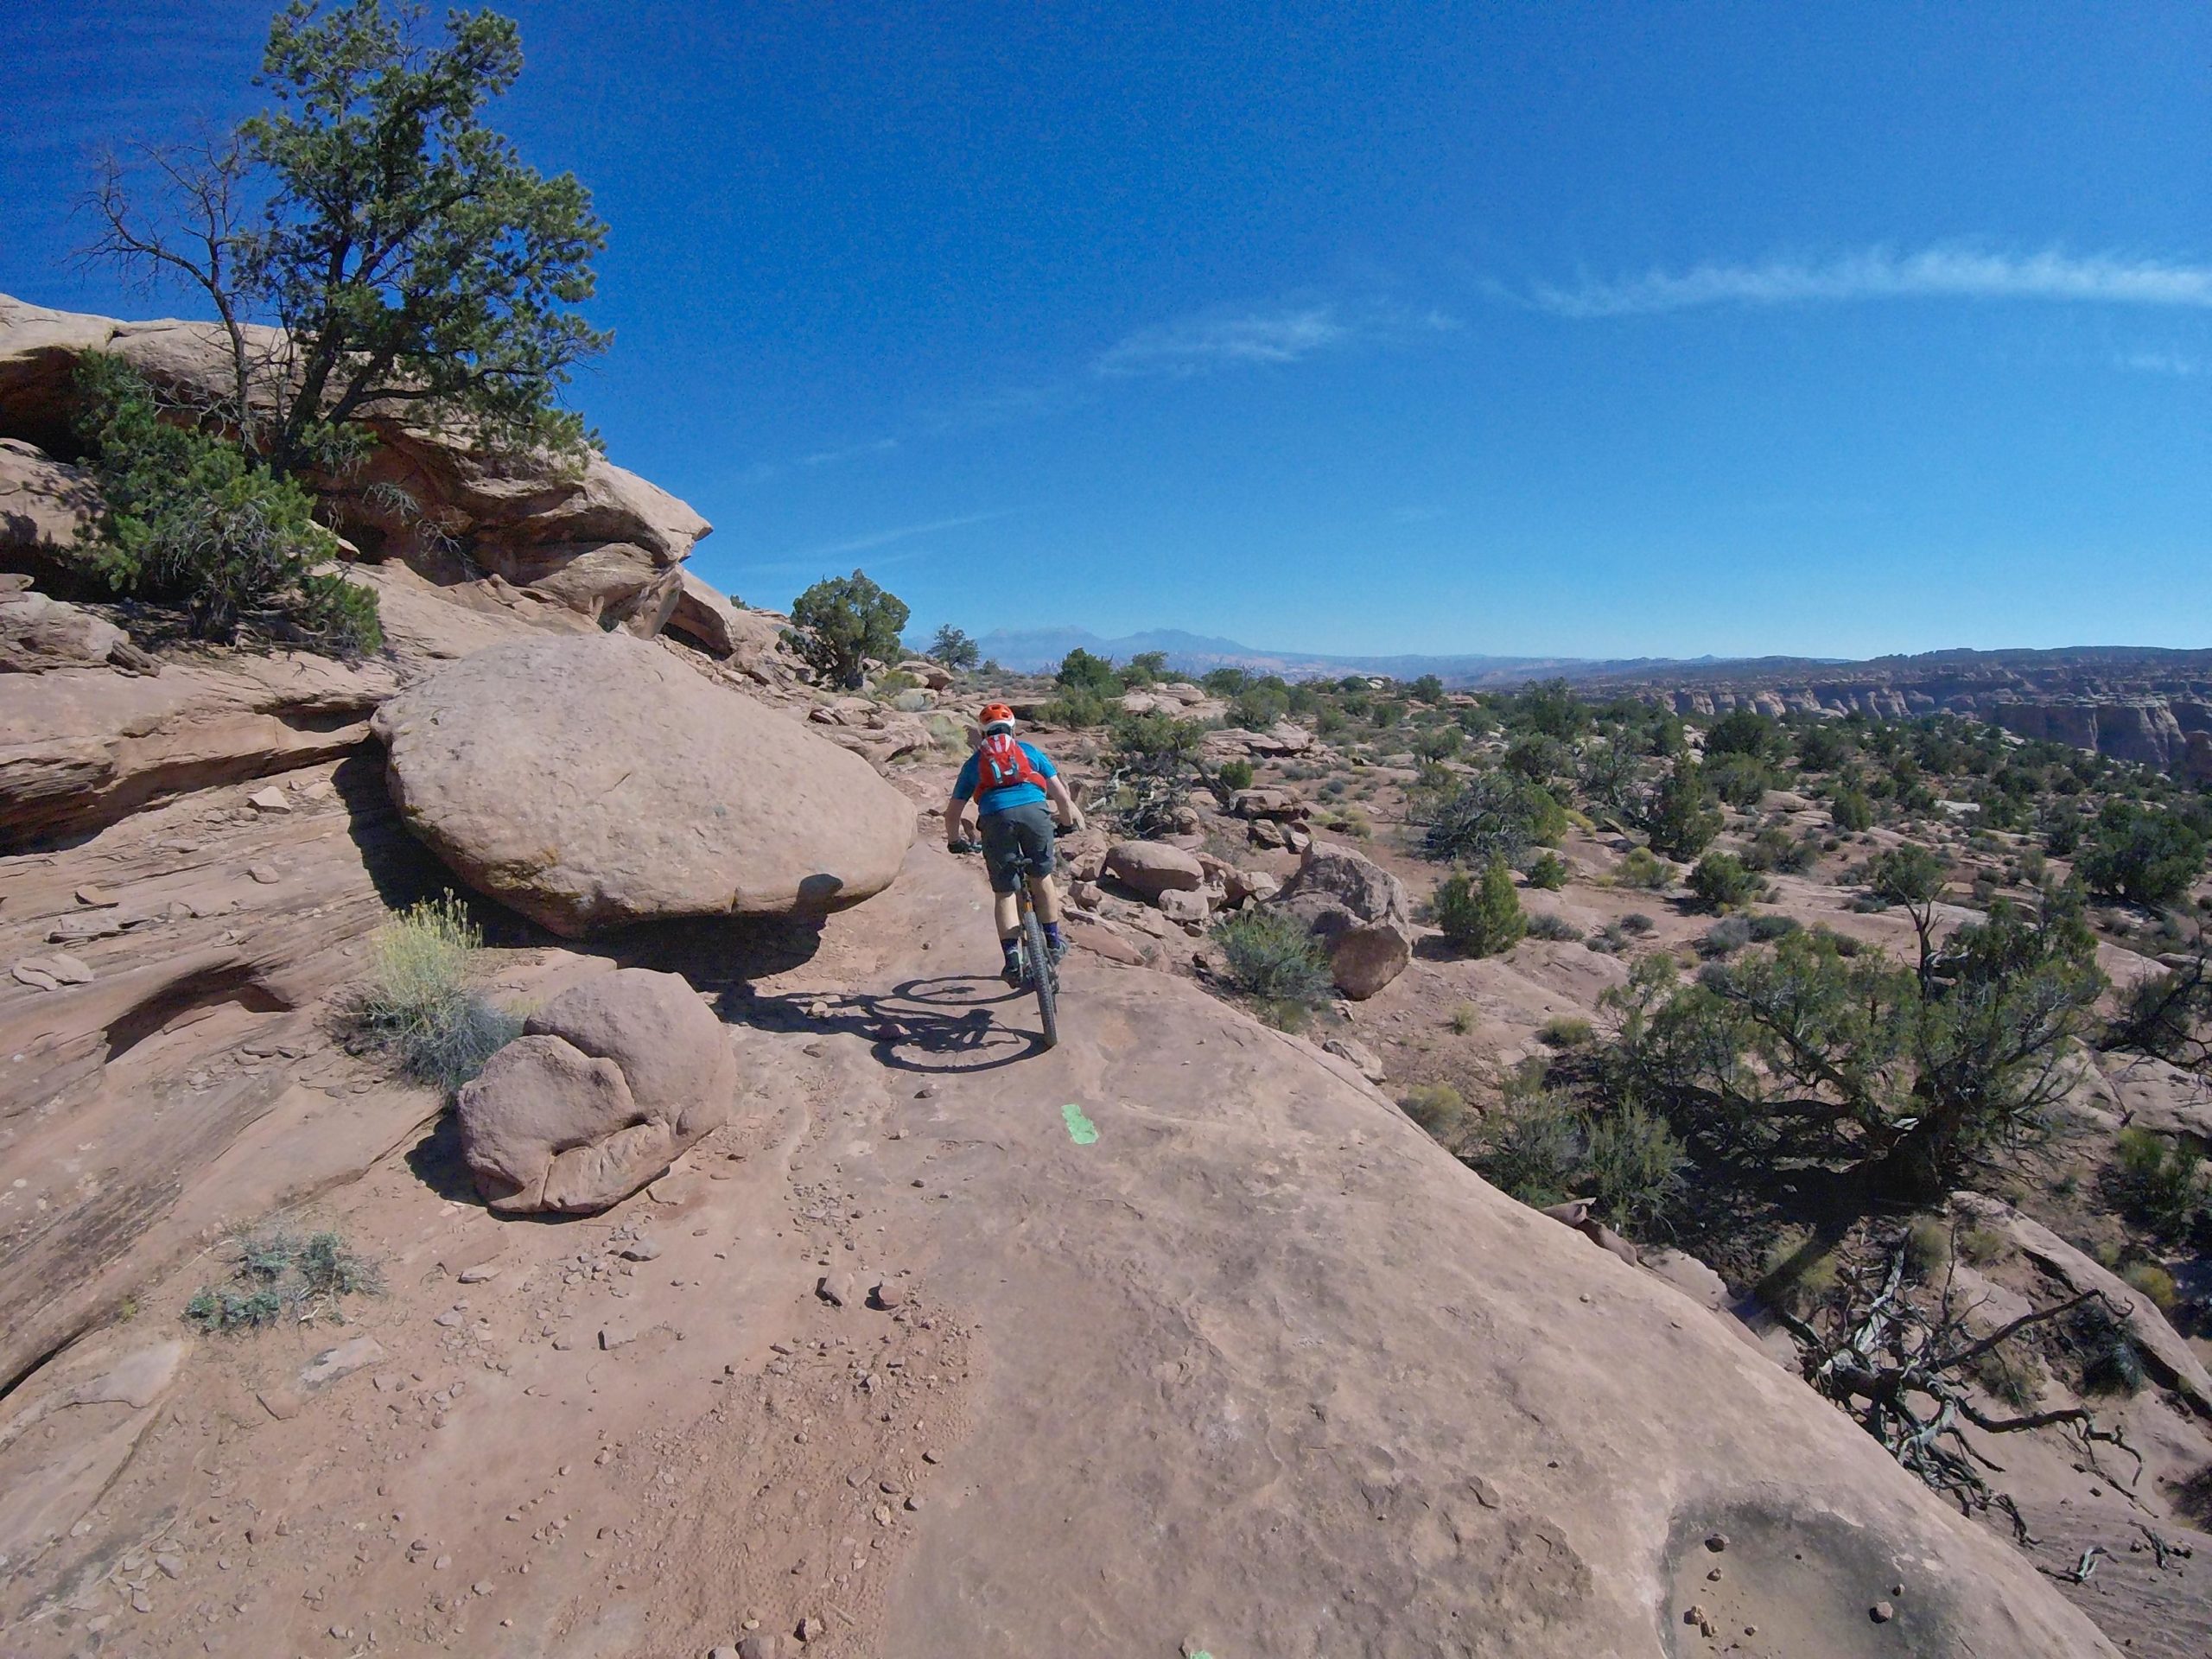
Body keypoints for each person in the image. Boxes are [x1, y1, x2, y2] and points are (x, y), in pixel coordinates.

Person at [944, 702, 1084, 983]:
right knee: (1042, 877)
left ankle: (1012, 961)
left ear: (983, 734)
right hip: (1035, 814)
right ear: (1013, 730)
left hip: (996, 820)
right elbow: (1061, 795)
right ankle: (1053, 941)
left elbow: (953, 812)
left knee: (1005, 893)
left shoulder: (974, 763)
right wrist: (1067, 823)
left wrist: (954, 841)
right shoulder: (1029, 752)